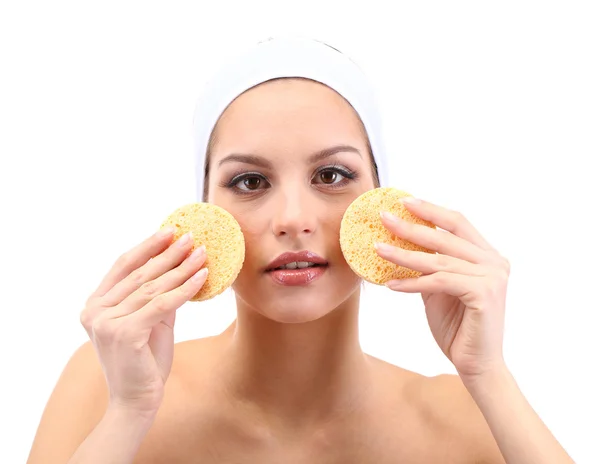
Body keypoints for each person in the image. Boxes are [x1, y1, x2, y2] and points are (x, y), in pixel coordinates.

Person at [27, 37, 573, 463]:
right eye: (249, 182)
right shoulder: (106, 385)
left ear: (382, 201)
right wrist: (129, 414)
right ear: (204, 210)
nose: (292, 219)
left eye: (331, 174)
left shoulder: (465, 418)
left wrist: (490, 376)